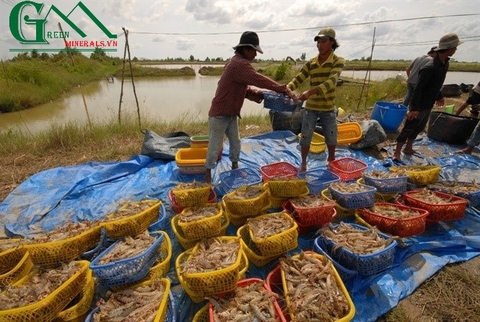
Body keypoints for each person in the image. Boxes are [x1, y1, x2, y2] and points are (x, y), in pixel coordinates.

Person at [204, 31, 297, 183]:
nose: (255, 54)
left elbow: (242, 88)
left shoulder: (234, 62)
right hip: (220, 114)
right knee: (215, 147)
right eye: (254, 51)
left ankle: (235, 167)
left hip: (231, 113)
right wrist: (281, 88)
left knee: (236, 142)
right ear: (246, 49)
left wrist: (256, 94)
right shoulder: (239, 64)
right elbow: (258, 79)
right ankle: (207, 173)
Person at [392, 33, 463, 162]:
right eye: (455, 47)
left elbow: (437, 84)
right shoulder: (429, 68)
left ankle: (408, 147)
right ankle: (397, 152)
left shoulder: (444, 64)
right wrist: (414, 108)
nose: (456, 50)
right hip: (419, 103)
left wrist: (439, 96)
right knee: (409, 126)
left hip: (429, 102)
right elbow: (418, 89)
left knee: (419, 127)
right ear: (448, 48)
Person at [286, 27, 345, 171]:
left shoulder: (338, 61)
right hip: (310, 108)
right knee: (306, 137)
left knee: (331, 138)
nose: (319, 45)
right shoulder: (311, 62)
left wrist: (310, 92)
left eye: (323, 41)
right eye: (317, 42)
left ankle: (331, 160)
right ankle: (304, 163)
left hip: (328, 108)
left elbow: (331, 82)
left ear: (332, 42)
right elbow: (299, 78)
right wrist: (287, 88)